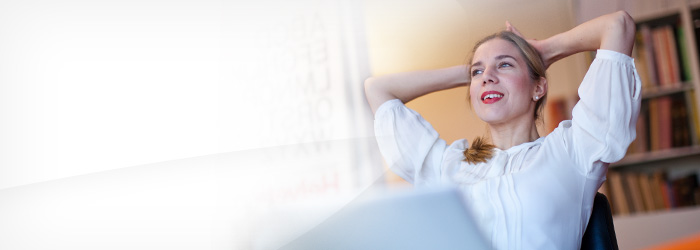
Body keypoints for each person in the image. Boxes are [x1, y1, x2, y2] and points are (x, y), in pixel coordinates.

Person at [364, 11, 640, 249]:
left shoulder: (573, 151)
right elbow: (378, 89)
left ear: (538, 87)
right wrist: (476, 73)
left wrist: (543, 51)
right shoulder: (446, 166)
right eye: (477, 73)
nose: (487, 78)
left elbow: (618, 26)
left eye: (505, 65)